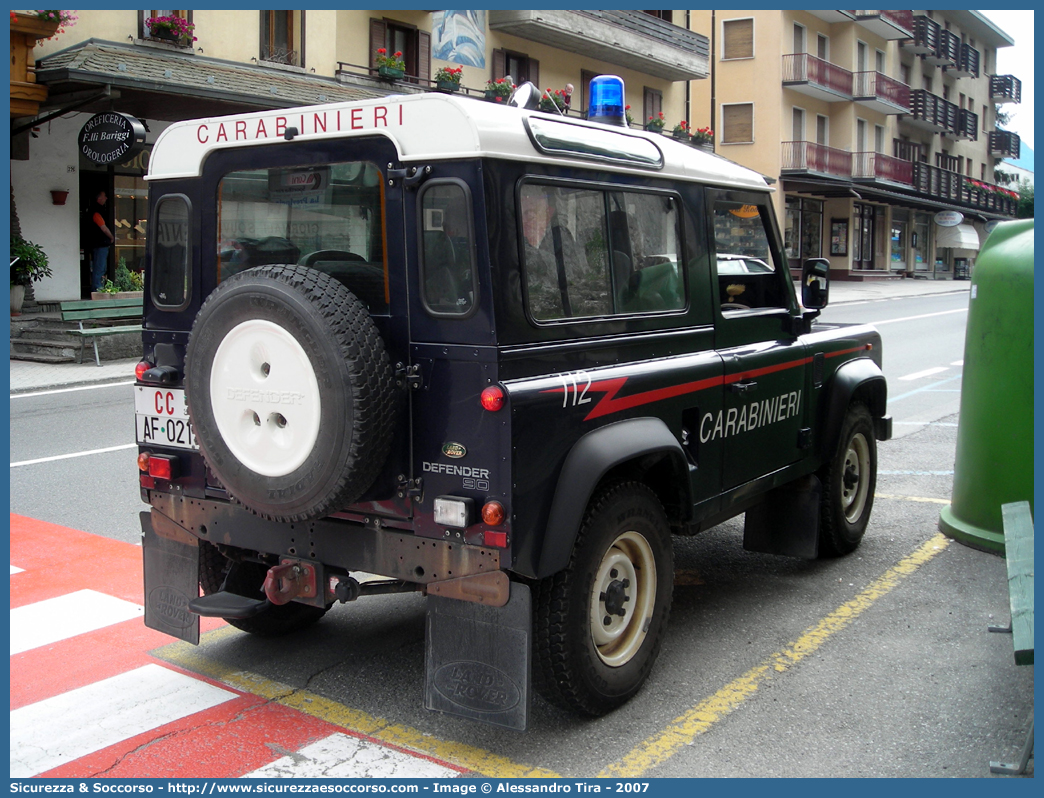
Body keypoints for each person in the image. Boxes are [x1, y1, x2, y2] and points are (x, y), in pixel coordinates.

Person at [520, 187, 607, 319]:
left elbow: (575, 281)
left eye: (534, 213)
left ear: (548, 214)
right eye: (525, 214)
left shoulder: (558, 239)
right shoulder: (525, 251)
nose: (529, 219)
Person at [85, 190, 115, 292]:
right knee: (99, 267)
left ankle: (98, 287)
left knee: (100, 267)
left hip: (98, 243)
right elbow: (103, 227)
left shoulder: (96, 210)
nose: (106, 198)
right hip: (100, 244)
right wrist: (111, 237)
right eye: (104, 196)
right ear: (99, 198)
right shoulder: (96, 211)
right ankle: (97, 288)